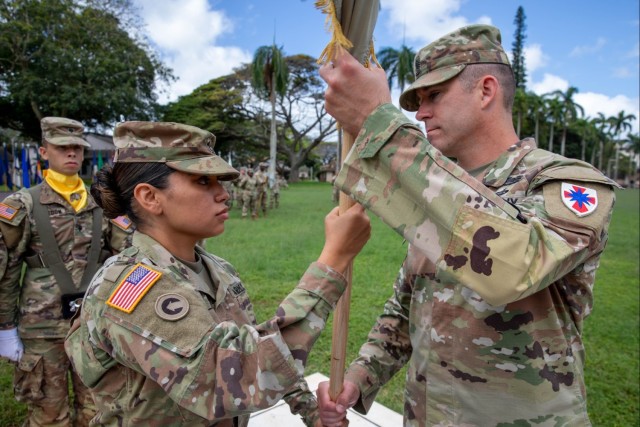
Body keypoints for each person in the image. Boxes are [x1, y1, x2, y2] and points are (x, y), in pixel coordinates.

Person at [316, 24, 618, 426]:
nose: (420, 113)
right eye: (417, 101)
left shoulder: (566, 182)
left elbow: (514, 268)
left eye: (434, 95)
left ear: (486, 90)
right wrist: (359, 376)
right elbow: (407, 308)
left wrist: (381, 124)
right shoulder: (438, 187)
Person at [63, 121, 371, 426]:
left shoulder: (219, 270)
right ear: (150, 197)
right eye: (203, 182)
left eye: (220, 182)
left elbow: (254, 342)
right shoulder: (128, 290)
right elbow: (233, 376)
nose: (224, 194)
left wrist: (311, 410)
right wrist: (333, 261)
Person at [0, 117, 133, 426]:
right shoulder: (24, 204)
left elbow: (125, 261)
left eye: (77, 147)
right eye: (63, 148)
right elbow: (6, 272)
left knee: (97, 411)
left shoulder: (103, 203)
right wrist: (5, 327)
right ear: (45, 152)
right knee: (48, 415)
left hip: (92, 324)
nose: (72, 153)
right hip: (41, 329)